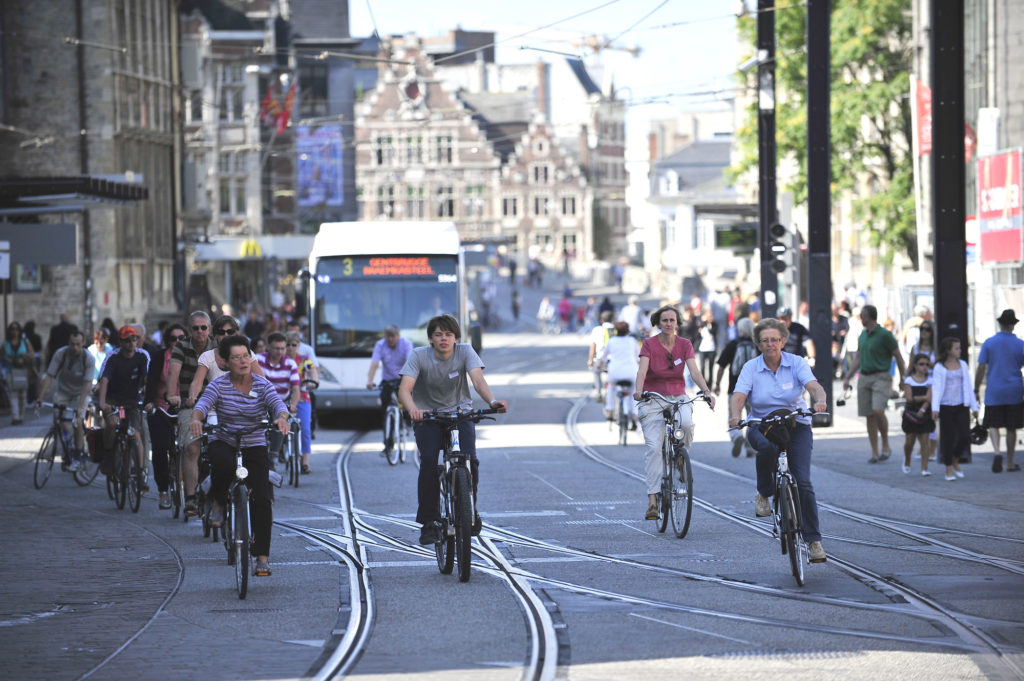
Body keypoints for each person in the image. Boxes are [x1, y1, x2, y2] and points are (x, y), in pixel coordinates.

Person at [397, 314, 507, 546]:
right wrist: (413, 410)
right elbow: (405, 389)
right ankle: (430, 522)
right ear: (431, 339)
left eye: (448, 334)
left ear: (456, 337)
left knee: (471, 460)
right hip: (429, 416)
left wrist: (492, 402)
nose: (444, 339)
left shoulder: (465, 351)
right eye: (438, 335)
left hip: (460, 413)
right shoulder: (419, 356)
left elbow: (478, 381)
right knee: (428, 461)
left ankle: (469, 509)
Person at [729, 317, 829, 563]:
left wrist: (819, 400)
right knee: (765, 448)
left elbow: (814, 386)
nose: (770, 344)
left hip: (796, 425)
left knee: (803, 481)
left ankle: (814, 541)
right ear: (758, 344)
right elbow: (739, 395)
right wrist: (734, 416)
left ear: (783, 341)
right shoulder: (751, 367)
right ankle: (764, 492)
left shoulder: (796, 363)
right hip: (761, 425)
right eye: (765, 340)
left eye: (774, 340)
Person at [191, 334, 289, 578]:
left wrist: (281, 418)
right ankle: (218, 501)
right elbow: (203, 404)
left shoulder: (262, 385)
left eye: (246, 356)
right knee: (222, 464)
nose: (244, 361)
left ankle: (262, 558)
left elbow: (278, 404)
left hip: (254, 442)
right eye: (237, 357)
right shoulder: (218, 385)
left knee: (263, 498)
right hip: (224, 439)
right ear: (225, 362)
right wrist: (196, 418)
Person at [633, 305, 716, 521]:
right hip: (653, 398)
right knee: (653, 448)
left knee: (687, 424)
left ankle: (680, 458)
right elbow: (642, 370)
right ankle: (652, 501)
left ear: (678, 323)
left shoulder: (685, 344)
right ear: (658, 323)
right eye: (664, 320)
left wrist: (707, 392)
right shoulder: (649, 344)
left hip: (678, 396)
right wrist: (639, 391)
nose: (668, 324)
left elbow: (694, 371)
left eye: (672, 320)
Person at [166, 311, 217, 517]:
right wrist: (172, 394)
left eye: (203, 327)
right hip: (190, 405)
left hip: (217, 405)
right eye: (195, 328)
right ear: (189, 330)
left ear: (209, 329)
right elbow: (173, 372)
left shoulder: (218, 346)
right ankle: (191, 498)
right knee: (192, 448)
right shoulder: (181, 346)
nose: (199, 332)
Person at [842, 304, 906, 464]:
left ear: (868, 317)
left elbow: (898, 357)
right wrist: (848, 377)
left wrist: (904, 379)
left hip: (881, 376)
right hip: (864, 377)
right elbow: (858, 358)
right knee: (868, 415)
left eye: (862, 316)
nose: (860, 319)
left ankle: (885, 443)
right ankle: (875, 451)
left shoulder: (885, 335)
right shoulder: (863, 335)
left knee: (878, 410)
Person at [97, 325, 150, 490]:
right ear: (121, 342)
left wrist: (149, 400)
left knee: (136, 435)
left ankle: (140, 473)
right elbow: (104, 380)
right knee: (112, 424)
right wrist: (102, 403)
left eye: (134, 339)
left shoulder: (142, 356)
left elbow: (147, 379)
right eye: (127, 340)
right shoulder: (112, 357)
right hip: (114, 400)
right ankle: (107, 453)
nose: (131, 343)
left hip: (133, 401)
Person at [974, 309, 1024, 473]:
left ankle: (996, 452)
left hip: (994, 389)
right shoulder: (1020, 344)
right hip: (1014, 390)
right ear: (1013, 325)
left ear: (1000, 323)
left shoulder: (989, 343)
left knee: (993, 424)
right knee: (1011, 427)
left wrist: (976, 388)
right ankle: (1010, 462)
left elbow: (981, 367)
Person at [34, 330, 92, 471]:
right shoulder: (61, 354)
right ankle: (68, 441)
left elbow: (87, 385)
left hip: (80, 393)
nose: (75, 347)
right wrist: (40, 398)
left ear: (83, 344)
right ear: (68, 343)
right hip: (63, 392)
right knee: (58, 417)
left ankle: (78, 455)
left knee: (77, 420)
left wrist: (79, 407)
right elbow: (49, 377)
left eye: (78, 344)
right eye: (72, 344)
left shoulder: (88, 358)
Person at [145, 323, 186, 508]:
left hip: (185, 405)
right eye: (173, 339)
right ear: (167, 340)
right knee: (160, 448)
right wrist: (150, 402)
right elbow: (151, 381)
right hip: (161, 405)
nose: (177, 342)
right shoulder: (159, 356)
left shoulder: (192, 357)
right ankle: (163, 490)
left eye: (181, 339)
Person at [932, 336, 979, 481]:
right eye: (956, 348)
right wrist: (935, 408)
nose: (960, 350)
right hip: (946, 405)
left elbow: (968, 386)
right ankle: (948, 468)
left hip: (961, 405)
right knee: (948, 437)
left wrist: (974, 406)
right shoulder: (939, 367)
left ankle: (955, 459)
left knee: (965, 436)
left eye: (959, 348)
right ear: (948, 350)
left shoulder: (963, 365)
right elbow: (936, 388)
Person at [714, 317, 759, 457]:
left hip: (735, 388)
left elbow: (721, 366)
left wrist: (717, 384)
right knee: (753, 417)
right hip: (754, 389)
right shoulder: (757, 346)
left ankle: (736, 435)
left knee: (734, 415)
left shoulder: (732, 345)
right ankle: (751, 446)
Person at [366, 324, 414, 455]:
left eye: (393, 336)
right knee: (385, 410)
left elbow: (409, 362)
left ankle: (409, 419)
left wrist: (408, 381)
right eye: (388, 337)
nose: (391, 339)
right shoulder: (380, 345)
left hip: (403, 377)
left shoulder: (406, 344)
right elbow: (374, 364)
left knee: (410, 400)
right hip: (387, 380)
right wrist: (370, 381)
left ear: (398, 336)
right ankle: (388, 444)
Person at [257, 332, 300, 463]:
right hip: (261, 401)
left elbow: (296, 389)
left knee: (280, 421)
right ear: (269, 347)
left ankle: (274, 455)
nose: (279, 352)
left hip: (281, 401)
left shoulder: (290, 363)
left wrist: (293, 404)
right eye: (276, 348)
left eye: (282, 348)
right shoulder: (258, 360)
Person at [285, 330, 319, 473]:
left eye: (294, 345)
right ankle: (283, 453)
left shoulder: (305, 360)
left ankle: (305, 462)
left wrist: (313, 382)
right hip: (285, 397)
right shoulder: (282, 360)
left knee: (305, 428)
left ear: (299, 346)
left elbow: (314, 373)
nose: (291, 347)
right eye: (288, 345)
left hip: (303, 397)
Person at [599, 321, 639, 429]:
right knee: (633, 393)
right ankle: (634, 417)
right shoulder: (632, 341)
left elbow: (603, 358)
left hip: (615, 373)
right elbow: (638, 357)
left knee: (611, 389)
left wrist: (600, 366)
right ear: (628, 331)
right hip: (631, 372)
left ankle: (610, 412)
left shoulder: (611, 341)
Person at [902, 353, 935, 476]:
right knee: (909, 441)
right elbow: (909, 399)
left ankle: (924, 468)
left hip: (925, 413)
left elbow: (930, 398)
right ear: (915, 365)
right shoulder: (909, 380)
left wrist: (923, 409)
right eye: (921, 364)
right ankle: (907, 460)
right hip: (911, 413)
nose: (924, 367)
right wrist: (924, 397)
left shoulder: (931, 380)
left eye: (927, 364)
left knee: (925, 441)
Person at [2, 321, 36, 425]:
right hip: (10, 370)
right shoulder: (5, 343)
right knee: (13, 394)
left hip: (23, 370)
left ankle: (21, 415)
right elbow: (2, 355)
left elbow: (32, 354)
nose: (15, 331)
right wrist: (8, 360)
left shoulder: (24, 341)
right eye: (12, 329)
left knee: (22, 394)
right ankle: (15, 416)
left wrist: (23, 358)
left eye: (17, 329)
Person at [587, 311, 615, 402]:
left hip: (600, 360)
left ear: (602, 320)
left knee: (596, 372)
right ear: (612, 320)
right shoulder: (617, 329)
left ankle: (598, 392)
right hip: (614, 361)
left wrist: (590, 360)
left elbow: (593, 346)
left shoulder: (596, 330)